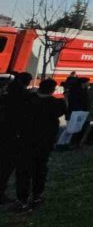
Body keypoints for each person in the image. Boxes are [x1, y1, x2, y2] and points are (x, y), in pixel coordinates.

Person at [14, 79, 66, 212]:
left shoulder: (28, 101)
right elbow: (63, 111)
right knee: (40, 169)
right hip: (44, 142)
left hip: (25, 141)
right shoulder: (56, 103)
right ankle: (37, 195)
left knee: (24, 171)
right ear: (52, 90)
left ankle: (22, 199)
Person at [0, 72, 32, 202]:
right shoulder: (25, 98)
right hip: (13, 136)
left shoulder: (6, 96)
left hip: (5, 133)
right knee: (5, 167)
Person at [57, 77, 90, 149]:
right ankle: (61, 143)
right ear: (83, 83)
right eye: (87, 82)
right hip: (74, 111)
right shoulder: (77, 91)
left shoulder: (78, 90)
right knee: (69, 129)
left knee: (71, 129)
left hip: (75, 111)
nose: (88, 83)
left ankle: (64, 143)